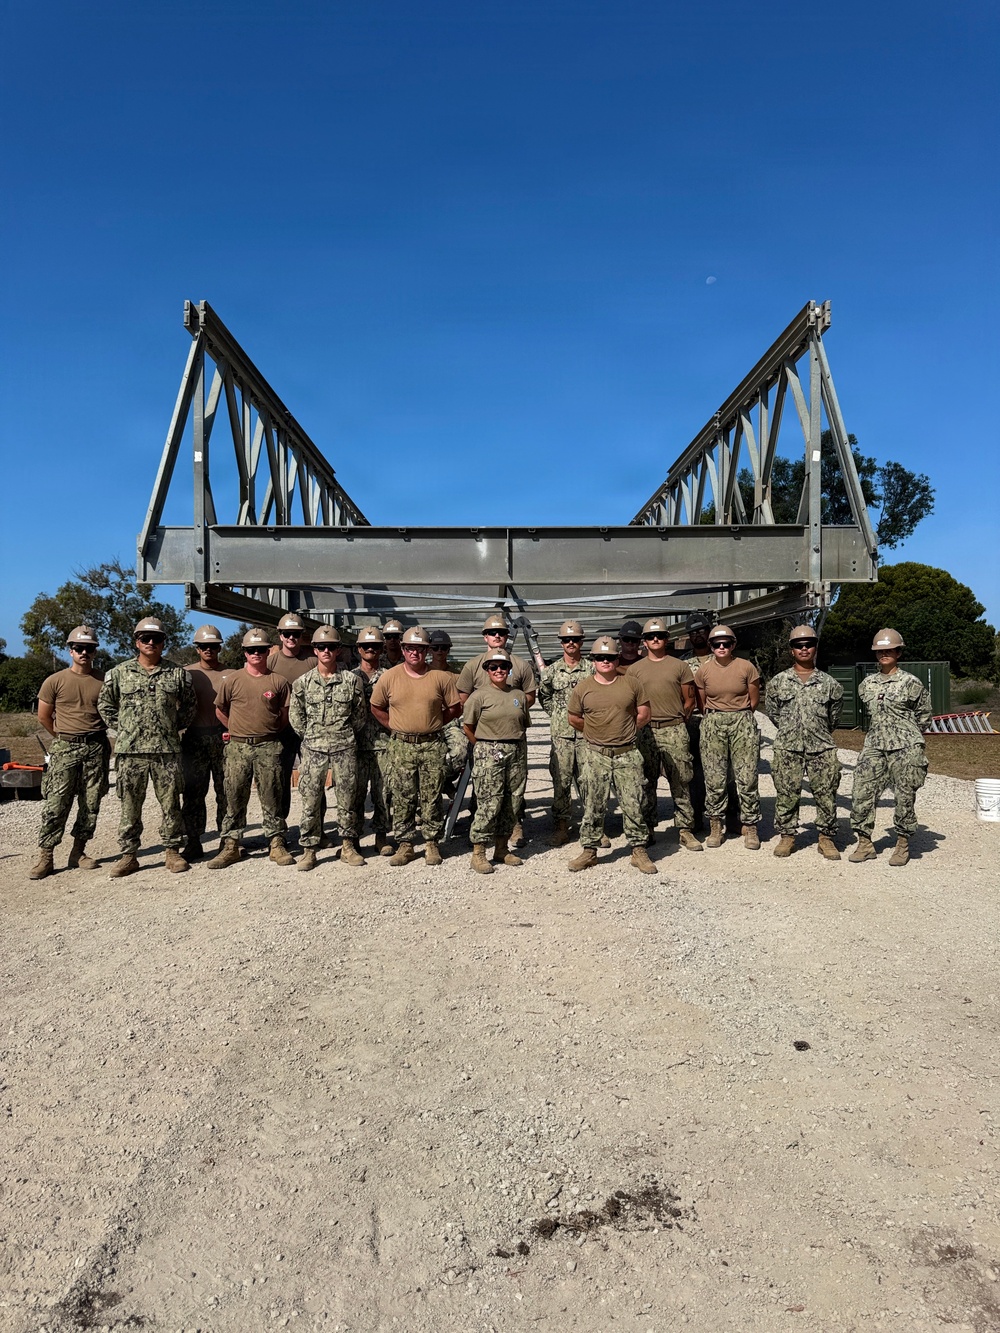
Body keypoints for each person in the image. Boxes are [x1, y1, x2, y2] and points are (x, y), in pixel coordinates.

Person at [97, 616, 197, 877]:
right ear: (136, 641)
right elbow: (105, 706)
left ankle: (172, 850)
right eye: (145, 638)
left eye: (157, 638)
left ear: (164, 642)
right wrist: (127, 729)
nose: (151, 642)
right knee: (129, 805)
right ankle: (129, 855)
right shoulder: (117, 673)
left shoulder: (178, 674)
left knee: (171, 803)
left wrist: (170, 727)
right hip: (131, 752)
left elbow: (189, 707)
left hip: (166, 751)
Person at [370, 626, 462, 866]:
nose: (415, 653)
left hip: (432, 743)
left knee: (432, 795)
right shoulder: (390, 677)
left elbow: (455, 707)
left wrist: (435, 722)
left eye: (420, 649)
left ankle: (432, 843)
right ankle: (406, 844)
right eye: (410, 648)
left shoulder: (439, 678)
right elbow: (376, 707)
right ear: (403, 649)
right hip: (401, 745)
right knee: (402, 795)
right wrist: (394, 725)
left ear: (427, 651)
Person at [565, 635, 656, 875]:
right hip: (596, 754)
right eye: (600, 657)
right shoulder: (583, 688)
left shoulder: (632, 684)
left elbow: (644, 713)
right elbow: (573, 718)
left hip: (627, 753)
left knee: (633, 803)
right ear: (593, 660)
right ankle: (590, 851)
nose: (605, 661)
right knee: (593, 804)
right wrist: (595, 732)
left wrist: (626, 731)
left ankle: (638, 850)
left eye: (610, 657)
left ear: (617, 659)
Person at [208, 628, 296, 868]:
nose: (256, 653)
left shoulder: (278, 682)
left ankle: (276, 842)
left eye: (260, 649)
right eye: (251, 650)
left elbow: (285, 715)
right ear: (244, 652)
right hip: (238, 747)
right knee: (234, 796)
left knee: (273, 795)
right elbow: (220, 710)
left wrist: (269, 732)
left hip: (268, 745)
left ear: (268, 651)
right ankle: (231, 845)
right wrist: (236, 729)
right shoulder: (233, 680)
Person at [29, 625, 110, 879]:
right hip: (65, 747)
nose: (83, 652)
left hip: (96, 747)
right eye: (79, 648)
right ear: (70, 650)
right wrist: (64, 738)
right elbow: (44, 717)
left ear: (95, 651)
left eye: (89, 648)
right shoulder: (55, 681)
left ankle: (78, 852)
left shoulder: (104, 680)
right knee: (56, 802)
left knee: (91, 802)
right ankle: (46, 856)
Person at [849, 628, 932, 867]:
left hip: (905, 746)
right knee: (861, 792)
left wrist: (907, 736)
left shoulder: (910, 683)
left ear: (898, 652)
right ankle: (865, 844)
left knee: (904, 796)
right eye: (880, 651)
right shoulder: (867, 684)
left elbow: (924, 715)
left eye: (889, 650)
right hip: (875, 745)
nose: (885, 654)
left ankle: (902, 844)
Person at [289, 625, 368, 871]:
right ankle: (310, 849)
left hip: (344, 747)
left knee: (348, 799)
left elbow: (359, 716)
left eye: (331, 647)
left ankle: (347, 845)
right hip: (313, 749)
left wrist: (342, 735)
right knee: (311, 799)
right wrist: (313, 736)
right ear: (314, 649)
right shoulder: (302, 683)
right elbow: (296, 717)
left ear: (338, 651)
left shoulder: (351, 681)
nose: (326, 651)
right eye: (321, 647)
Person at [457, 614, 536, 845]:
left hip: (511, 736)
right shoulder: (473, 665)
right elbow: (464, 698)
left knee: (514, 790)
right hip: (484, 738)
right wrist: (482, 738)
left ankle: (514, 826)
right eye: (493, 632)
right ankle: (480, 829)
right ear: (485, 637)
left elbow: (529, 697)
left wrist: (509, 708)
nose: (497, 636)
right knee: (485, 787)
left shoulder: (520, 665)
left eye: (501, 632)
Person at [767, 625, 844, 860]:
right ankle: (788, 836)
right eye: (798, 645)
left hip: (821, 747)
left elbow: (834, 717)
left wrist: (815, 732)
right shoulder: (778, 683)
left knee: (826, 793)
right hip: (788, 746)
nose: (804, 649)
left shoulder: (830, 684)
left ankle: (826, 837)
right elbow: (774, 714)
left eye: (808, 644)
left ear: (815, 647)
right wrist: (792, 731)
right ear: (791, 650)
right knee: (787, 792)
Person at [628, 617, 702, 850]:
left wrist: (679, 721)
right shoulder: (634, 670)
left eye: (659, 635)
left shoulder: (679, 666)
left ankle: (685, 829)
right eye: (651, 636)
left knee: (681, 779)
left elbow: (689, 700)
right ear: (645, 641)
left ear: (666, 639)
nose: (655, 639)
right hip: (647, 732)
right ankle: (648, 828)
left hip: (674, 729)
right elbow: (630, 702)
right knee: (646, 781)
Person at [462, 649, 531, 873]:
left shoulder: (518, 695)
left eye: (503, 667)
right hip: (489, 750)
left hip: (516, 751)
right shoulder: (478, 696)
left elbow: (522, 725)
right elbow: (468, 727)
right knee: (490, 802)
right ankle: (479, 852)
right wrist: (483, 747)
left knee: (512, 801)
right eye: (493, 667)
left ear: (510, 669)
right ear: (487, 670)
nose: (499, 670)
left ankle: (501, 848)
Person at [695, 624, 762, 850]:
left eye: (726, 643)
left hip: (741, 720)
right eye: (716, 644)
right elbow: (702, 700)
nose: (721, 647)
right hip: (714, 722)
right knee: (714, 777)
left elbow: (753, 700)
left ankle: (750, 825)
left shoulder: (746, 667)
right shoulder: (703, 670)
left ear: (733, 645)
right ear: (711, 646)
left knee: (747, 776)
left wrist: (738, 713)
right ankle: (716, 825)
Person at [180, 624, 233, 862]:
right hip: (194, 738)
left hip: (223, 737)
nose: (208, 650)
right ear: (197, 648)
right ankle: (193, 841)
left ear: (219, 647)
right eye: (204, 646)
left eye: (213, 646)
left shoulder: (232, 674)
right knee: (193, 793)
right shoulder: (185, 674)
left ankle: (227, 840)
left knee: (227, 792)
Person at [537, 619, 592, 845]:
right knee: (561, 781)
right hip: (561, 735)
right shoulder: (551, 671)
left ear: (581, 642)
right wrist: (557, 715)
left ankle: (593, 826)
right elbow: (544, 696)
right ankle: (561, 826)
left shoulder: (591, 668)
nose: (571, 643)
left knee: (590, 780)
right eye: (567, 640)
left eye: (575, 639)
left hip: (587, 734)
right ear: (561, 643)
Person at [267, 612, 317, 825]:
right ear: (280, 636)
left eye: (295, 634)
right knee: (280, 779)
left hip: (309, 729)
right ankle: (280, 830)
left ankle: (317, 828)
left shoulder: (313, 660)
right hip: (282, 730)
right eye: (287, 633)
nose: (291, 638)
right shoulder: (270, 663)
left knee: (313, 780)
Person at [352, 625, 393, 855]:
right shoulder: (349, 678)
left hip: (383, 743)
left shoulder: (390, 676)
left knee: (383, 794)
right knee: (355, 795)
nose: (371, 650)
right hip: (356, 746)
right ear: (359, 649)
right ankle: (354, 839)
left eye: (375, 646)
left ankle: (381, 837)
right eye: (366, 646)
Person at [429, 629, 469, 791]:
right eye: (436, 647)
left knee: (461, 750)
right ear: (429, 649)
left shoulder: (457, 677)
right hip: (427, 723)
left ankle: (444, 779)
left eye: (444, 648)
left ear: (448, 650)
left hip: (449, 723)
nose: (440, 651)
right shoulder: (421, 673)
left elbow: (463, 703)